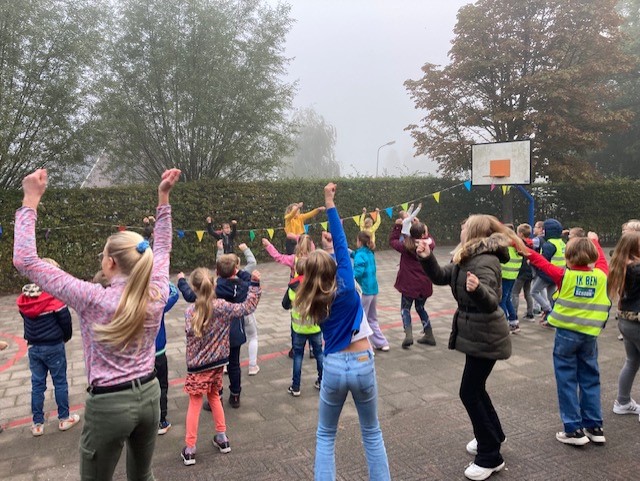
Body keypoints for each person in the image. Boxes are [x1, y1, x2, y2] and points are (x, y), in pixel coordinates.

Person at [13, 167, 181, 481]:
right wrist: (163, 197)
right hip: (149, 394)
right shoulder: (157, 290)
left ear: (110, 263)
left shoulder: (92, 298)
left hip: (108, 405)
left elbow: (25, 260)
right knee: (143, 476)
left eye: (103, 254)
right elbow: (163, 247)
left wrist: (30, 199)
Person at [417, 215, 525, 481]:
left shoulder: (485, 260)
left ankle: (490, 456)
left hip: (486, 335)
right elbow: (441, 276)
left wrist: (477, 290)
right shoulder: (467, 257)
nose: (461, 228)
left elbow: (492, 301)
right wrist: (427, 257)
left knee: (469, 392)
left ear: (474, 231)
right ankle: (492, 435)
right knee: (475, 389)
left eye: (464, 226)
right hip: (476, 333)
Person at [295, 182, 390, 481]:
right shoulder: (347, 286)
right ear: (335, 268)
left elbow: (330, 255)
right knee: (371, 432)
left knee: (325, 435)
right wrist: (329, 202)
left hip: (334, 366)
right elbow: (339, 240)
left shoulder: (311, 299)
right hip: (362, 362)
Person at [523, 232, 610, 446]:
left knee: (567, 380)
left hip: (566, 336)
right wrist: (595, 241)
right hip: (590, 336)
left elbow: (541, 262)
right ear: (591, 256)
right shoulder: (601, 275)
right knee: (590, 378)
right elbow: (601, 260)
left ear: (568, 258)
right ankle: (594, 426)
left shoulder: (564, 275)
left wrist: (522, 248)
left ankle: (573, 429)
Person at [180, 267, 261, 466]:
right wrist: (254, 284)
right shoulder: (223, 307)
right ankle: (222, 438)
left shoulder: (190, 312)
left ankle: (190, 448)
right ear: (214, 284)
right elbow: (247, 307)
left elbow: (190, 334)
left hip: (197, 367)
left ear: (194, 288)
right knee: (215, 396)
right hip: (218, 363)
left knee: (195, 403)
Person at [16, 258, 79, 437]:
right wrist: (65, 337)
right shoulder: (55, 298)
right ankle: (64, 418)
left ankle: (37, 424)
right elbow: (65, 322)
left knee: (37, 384)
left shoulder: (25, 299)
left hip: (34, 347)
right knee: (60, 382)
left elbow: (25, 318)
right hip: (53, 346)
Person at [389, 211, 437, 348]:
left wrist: (398, 226)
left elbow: (392, 241)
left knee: (405, 308)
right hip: (424, 284)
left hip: (408, 285)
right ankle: (429, 334)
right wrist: (419, 225)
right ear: (423, 234)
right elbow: (429, 238)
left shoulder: (405, 246)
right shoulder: (429, 245)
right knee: (420, 307)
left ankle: (408, 334)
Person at [607, 231, 640, 418]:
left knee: (632, 361)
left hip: (626, 321)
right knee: (632, 361)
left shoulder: (622, 264)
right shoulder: (637, 268)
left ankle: (623, 401)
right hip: (637, 322)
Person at [282, 257, 324, 396]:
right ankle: (322, 381)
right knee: (319, 354)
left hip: (298, 328)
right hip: (315, 327)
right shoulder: (316, 284)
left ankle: (296, 386)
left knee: (298, 356)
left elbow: (285, 304)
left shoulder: (292, 286)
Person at [353, 231, 389, 351]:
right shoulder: (369, 253)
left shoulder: (360, 255)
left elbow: (358, 272)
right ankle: (382, 343)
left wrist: (347, 276)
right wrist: (348, 252)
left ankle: (366, 347)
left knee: (362, 319)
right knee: (372, 319)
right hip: (373, 290)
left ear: (359, 241)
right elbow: (357, 254)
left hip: (364, 291)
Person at [530, 218, 566, 327]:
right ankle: (552, 319)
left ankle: (548, 310)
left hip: (548, 274)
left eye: (544, 229)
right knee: (551, 297)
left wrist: (532, 262)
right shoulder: (562, 243)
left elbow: (542, 261)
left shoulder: (549, 245)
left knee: (534, 291)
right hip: (557, 274)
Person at [156, 282, 179, 435]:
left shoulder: (131, 304)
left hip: (141, 357)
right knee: (162, 386)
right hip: (158, 353)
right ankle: (161, 420)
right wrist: (165, 281)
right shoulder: (158, 306)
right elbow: (175, 294)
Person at [499, 224, 523, 334]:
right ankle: (514, 322)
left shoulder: (506, 244)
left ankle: (504, 324)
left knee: (501, 300)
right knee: (507, 298)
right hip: (513, 275)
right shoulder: (518, 243)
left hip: (505, 274)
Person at [511, 224, 535, 322]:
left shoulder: (519, 244)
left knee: (515, 293)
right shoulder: (531, 243)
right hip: (529, 271)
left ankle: (514, 315)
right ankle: (530, 314)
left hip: (521, 272)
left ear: (520, 234)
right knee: (528, 293)